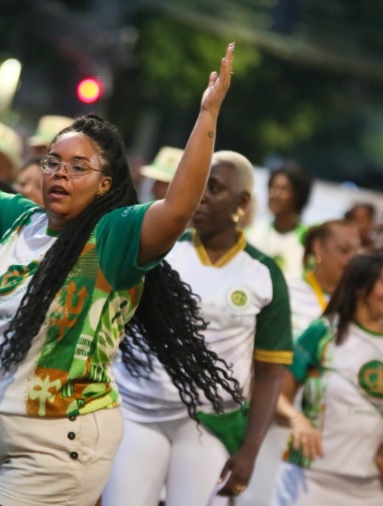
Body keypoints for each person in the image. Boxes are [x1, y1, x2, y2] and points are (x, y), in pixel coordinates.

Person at [0, 33, 238, 506]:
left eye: (77, 167)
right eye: (52, 162)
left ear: (106, 184)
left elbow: (178, 208)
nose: (59, 173)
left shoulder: (114, 236)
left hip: (58, 439)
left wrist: (207, 115)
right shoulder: (19, 221)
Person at [102, 150, 292, 505]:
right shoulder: (160, 251)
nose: (200, 195)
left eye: (215, 188)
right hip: (137, 411)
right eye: (197, 185)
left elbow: (269, 372)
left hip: (209, 423)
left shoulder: (264, 274)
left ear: (243, 201)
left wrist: (250, 451)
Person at [273, 250, 383, 505]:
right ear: (360, 286)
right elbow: (276, 396)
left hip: (374, 489)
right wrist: (297, 418)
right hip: (309, 481)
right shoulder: (323, 332)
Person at [240, 218, 360, 506]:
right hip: (275, 418)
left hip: (327, 431)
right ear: (318, 247)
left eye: (358, 251)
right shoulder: (285, 292)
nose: (352, 259)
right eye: (344, 250)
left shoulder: (357, 306)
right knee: (259, 498)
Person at [247, 161, 314, 278]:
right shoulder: (253, 232)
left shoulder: (308, 239)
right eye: (272, 187)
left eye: (284, 189)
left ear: (299, 195)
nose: (274, 195)